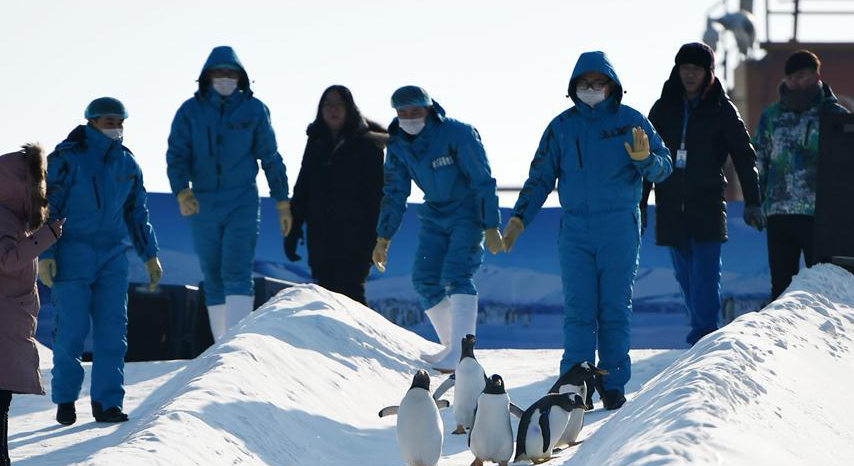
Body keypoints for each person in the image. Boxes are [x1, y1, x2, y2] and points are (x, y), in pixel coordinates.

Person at [503, 51, 672, 410]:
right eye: (585, 84)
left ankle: (612, 382)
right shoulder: (562, 127)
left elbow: (665, 168)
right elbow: (540, 178)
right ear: (573, 87)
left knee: (613, 309)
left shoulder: (632, 122)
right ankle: (575, 383)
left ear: (612, 86)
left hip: (619, 227)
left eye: (598, 83)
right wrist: (520, 219)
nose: (592, 89)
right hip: (576, 229)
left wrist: (646, 162)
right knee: (579, 310)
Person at [39, 97, 162, 425]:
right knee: (71, 332)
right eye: (107, 120)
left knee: (112, 332)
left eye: (119, 120)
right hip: (72, 254)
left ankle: (108, 403)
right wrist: (46, 253)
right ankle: (65, 399)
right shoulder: (66, 158)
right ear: (91, 121)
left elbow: (137, 213)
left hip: (112, 256)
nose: (115, 126)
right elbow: (49, 206)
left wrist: (150, 255)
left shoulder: (127, 164)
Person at [641, 42, 764, 347]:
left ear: (708, 72)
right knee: (685, 277)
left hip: (707, 204)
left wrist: (753, 200)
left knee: (705, 275)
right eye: (685, 68)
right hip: (670, 204)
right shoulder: (663, 107)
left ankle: (704, 335)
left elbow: (744, 157)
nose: (690, 75)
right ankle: (701, 329)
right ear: (677, 70)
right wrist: (640, 204)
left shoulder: (722, 110)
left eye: (696, 69)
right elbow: (643, 158)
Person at [373, 85, 503, 373]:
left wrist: (491, 224)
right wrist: (384, 236)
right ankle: (453, 347)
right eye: (402, 112)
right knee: (424, 279)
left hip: (466, 212)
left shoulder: (458, 134)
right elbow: (395, 192)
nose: (409, 117)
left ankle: (462, 354)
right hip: (433, 214)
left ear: (429, 109)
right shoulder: (397, 144)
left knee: (457, 274)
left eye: (415, 111)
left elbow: (483, 180)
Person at [167, 45, 291, 340]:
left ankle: (235, 344)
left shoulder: (254, 110)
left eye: (231, 72)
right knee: (212, 273)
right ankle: (220, 345)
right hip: (202, 202)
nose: (225, 77)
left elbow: (271, 157)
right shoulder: (190, 111)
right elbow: (177, 155)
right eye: (219, 72)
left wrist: (282, 200)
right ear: (207, 76)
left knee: (236, 270)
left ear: (241, 77)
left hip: (242, 201)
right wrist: (182, 190)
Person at [0, 145, 64, 466]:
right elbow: (7, 259)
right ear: (18, 184)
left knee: (0, 400)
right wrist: (48, 237)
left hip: (3, 320)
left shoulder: (7, 219)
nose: (40, 189)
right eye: (35, 182)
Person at [753, 49, 848, 301]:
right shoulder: (772, 116)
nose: (797, 82)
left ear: (817, 76)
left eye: (802, 75)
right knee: (781, 285)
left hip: (820, 213)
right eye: (792, 77)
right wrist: (755, 199)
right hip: (779, 211)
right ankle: (779, 336)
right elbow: (759, 158)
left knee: (824, 283)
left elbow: (850, 164)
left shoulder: (834, 115)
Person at [284, 85, 387, 305]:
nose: (333, 109)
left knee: (351, 296)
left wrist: (375, 239)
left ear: (350, 109)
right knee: (326, 296)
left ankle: (359, 339)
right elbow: (303, 188)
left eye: (339, 104)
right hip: (321, 236)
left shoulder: (367, 144)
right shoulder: (316, 141)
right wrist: (292, 233)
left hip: (356, 239)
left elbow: (376, 197)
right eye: (328, 104)